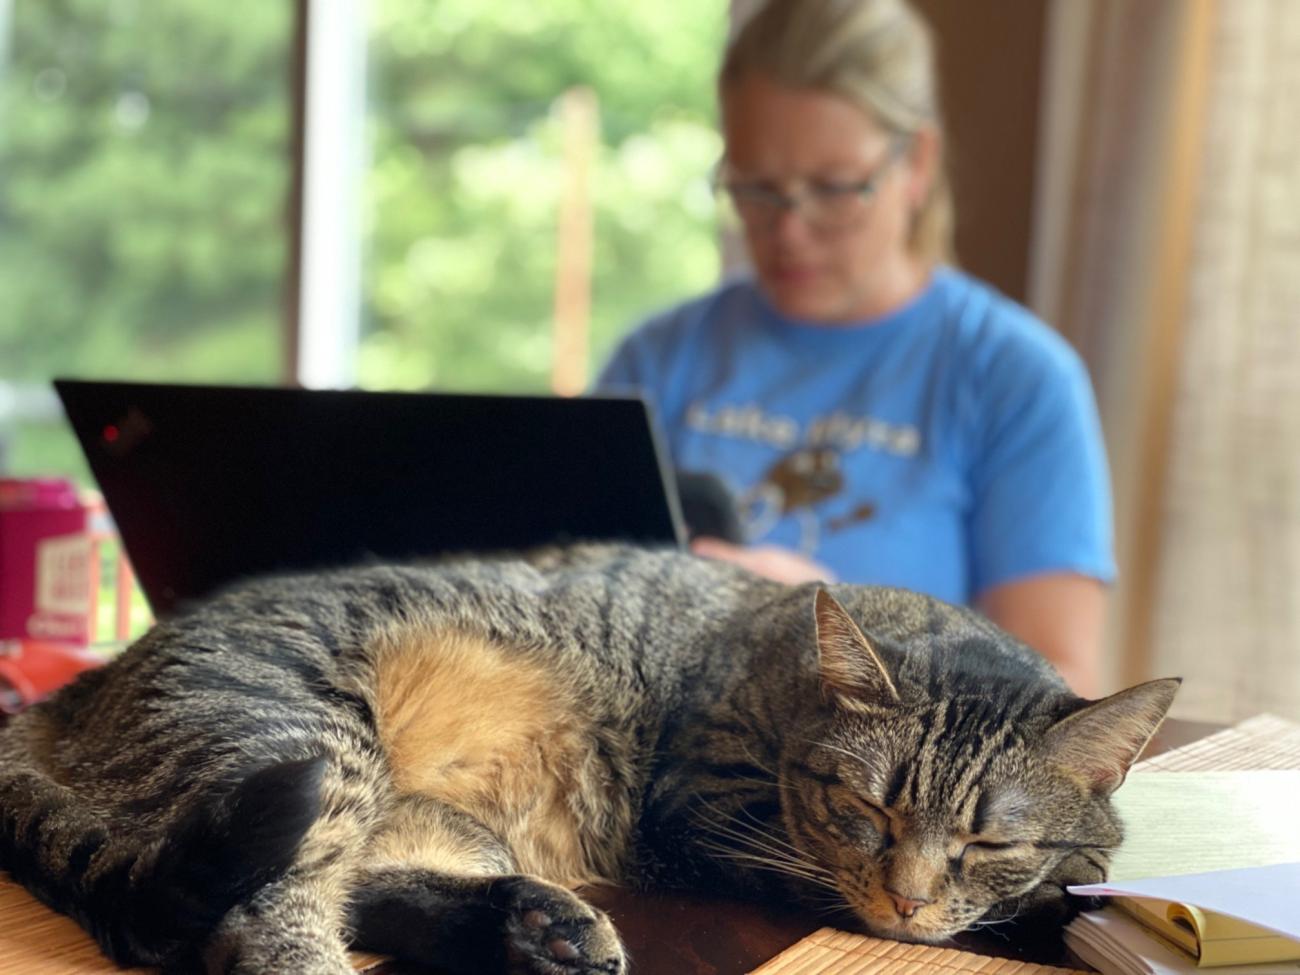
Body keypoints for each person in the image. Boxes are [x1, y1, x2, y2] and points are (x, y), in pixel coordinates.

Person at [595, 0, 1114, 695]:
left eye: (835, 189)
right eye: (755, 189)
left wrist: (840, 626)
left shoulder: (1014, 378)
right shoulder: (656, 359)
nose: (790, 231)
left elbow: (1063, 689)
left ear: (916, 164)